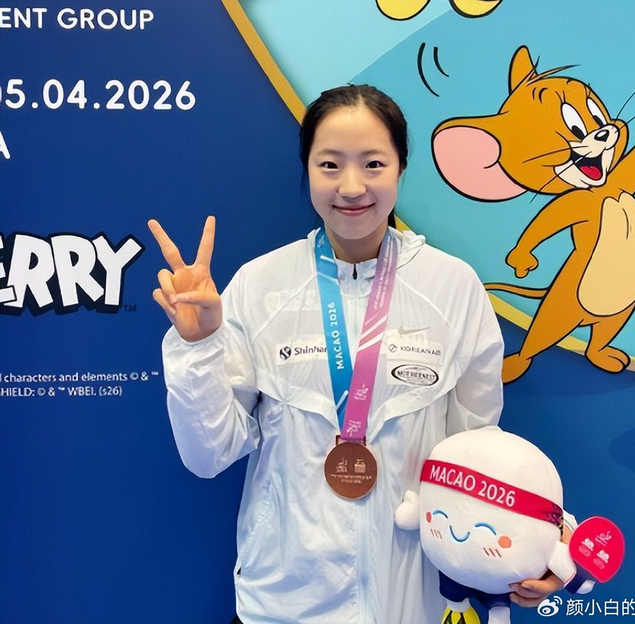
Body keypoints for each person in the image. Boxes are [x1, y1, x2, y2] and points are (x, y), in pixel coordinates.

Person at [149, 84, 566, 624]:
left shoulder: (452, 287)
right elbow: (208, 456)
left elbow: (478, 459)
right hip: (283, 606)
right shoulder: (260, 286)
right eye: (330, 164)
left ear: (401, 168)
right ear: (307, 170)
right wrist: (199, 345)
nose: (351, 187)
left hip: (411, 605)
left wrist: (546, 541)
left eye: (373, 164)